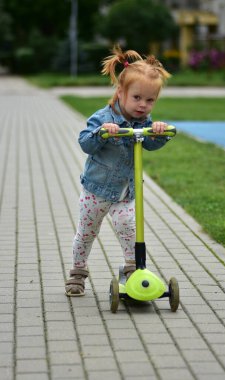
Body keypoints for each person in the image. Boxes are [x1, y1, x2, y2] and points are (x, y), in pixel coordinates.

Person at [65, 45, 171, 296]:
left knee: (128, 228)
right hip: (96, 190)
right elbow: (85, 143)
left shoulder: (143, 122)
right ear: (121, 92)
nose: (143, 105)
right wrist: (102, 133)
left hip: (125, 192)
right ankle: (78, 272)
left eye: (150, 100)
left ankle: (132, 271)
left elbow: (152, 144)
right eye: (137, 98)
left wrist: (159, 132)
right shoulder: (102, 117)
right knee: (87, 232)